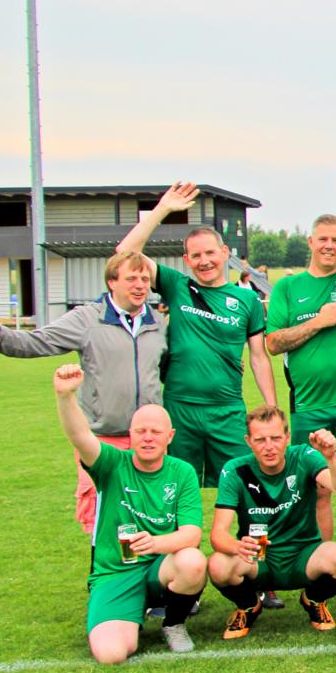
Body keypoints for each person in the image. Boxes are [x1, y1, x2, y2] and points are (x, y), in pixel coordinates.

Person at [0, 249, 167, 537]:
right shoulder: (86, 319)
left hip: (148, 440)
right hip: (102, 440)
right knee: (104, 523)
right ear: (112, 282)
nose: (140, 285)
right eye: (131, 278)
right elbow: (36, 342)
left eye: (144, 279)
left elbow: (171, 368)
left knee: (150, 519)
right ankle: (103, 568)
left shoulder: (157, 322)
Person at [116, 181, 276, 492]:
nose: (204, 261)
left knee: (244, 489)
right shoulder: (177, 286)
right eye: (196, 255)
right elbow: (125, 253)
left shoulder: (247, 300)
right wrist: (163, 209)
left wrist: (271, 408)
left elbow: (259, 356)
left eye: (210, 253)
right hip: (180, 409)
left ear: (225, 253)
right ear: (187, 260)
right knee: (172, 490)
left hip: (227, 410)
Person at [53, 365, 205, 663]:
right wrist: (65, 396)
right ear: (130, 435)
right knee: (111, 655)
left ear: (170, 436)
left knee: (193, 561)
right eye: (140, 431)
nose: (148, 438)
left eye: (156, 432)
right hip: (117, 572)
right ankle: (126, 612)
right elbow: (80, 436)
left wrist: (155, 543)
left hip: (159, 569)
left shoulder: (182, 471)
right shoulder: (111, 463)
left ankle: (174, 623)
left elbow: (191, 534)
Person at [264, 169, 336, 544]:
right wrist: (318, 320)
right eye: (323, 239)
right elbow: (273, 343)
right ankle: (319, 560)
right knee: (316, 486)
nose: (330, 246)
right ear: (311, 242)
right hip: (309, 403)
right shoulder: (288, 287)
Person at [207, 407, 336, 639]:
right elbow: (218, 534)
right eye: (260, 440)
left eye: (276, 438)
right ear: (248, 441)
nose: (269, 446)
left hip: (303, 554)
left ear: (287, 437)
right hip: (259, 558)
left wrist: (331, 457)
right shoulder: (235, 470)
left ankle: (314, 599)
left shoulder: (304, 456)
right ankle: (248, 605)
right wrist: (236, 546)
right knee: (218, 565)